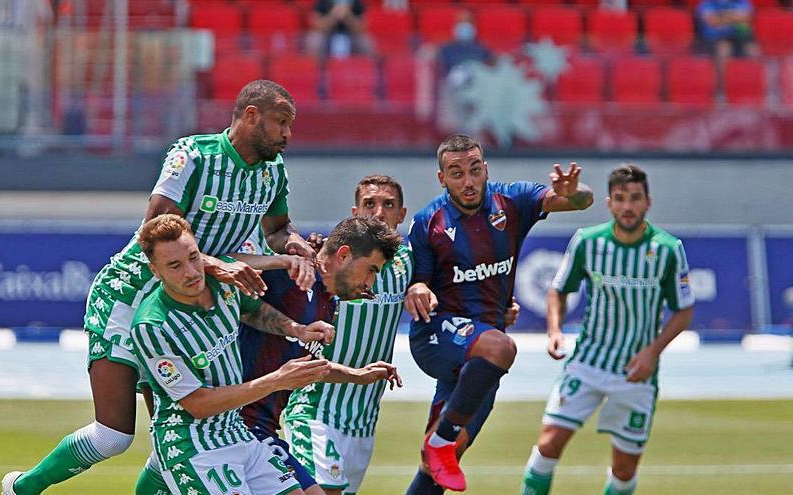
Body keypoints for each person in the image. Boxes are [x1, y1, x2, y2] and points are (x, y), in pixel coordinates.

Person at [2, 79, 316, 495]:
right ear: (251, 116)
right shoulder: (193, 156)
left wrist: (291, 243)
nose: (287, 134)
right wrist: (220, 265)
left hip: (191, 305)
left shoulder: (273, 172)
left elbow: (277, 229)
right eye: (281, 123)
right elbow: (157, 229)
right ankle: (22, 488)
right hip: (131, 298)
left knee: (176, 440)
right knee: (114, 435)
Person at [404, 134, 594, 493]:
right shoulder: (428, 221)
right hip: (439, 338)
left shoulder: (512, 201)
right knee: (502, 347)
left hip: (481, 357)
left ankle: (442, 443)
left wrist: (573, 191)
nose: (469, 181)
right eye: (457, 173)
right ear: (441, 178)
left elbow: (582, 201)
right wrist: (418, 287)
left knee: (439, 467)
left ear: (486, 169)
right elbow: (418, 281)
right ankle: (442, 440)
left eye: (475, 170)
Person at [520, 164, 695, 495]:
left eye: (634, 198)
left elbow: (683, 311)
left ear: (648, 202)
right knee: (548, 446)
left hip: (636, 373)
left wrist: (652, 352)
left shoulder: (669, 249)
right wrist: (554, 330)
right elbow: (558, 290)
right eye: (620, 199)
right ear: (609, 203)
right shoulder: (588, 242)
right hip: (587, 363)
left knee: (624, 469)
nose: (627, 206)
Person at [128, 214, 331, 494]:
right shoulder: (152, 326)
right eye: (174, 266)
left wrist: (298, 330)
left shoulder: (221, 281)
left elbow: (252, 310)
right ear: (155, 271)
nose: (191, 272)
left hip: (235, 430)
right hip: (193, 445)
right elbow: (199, 404)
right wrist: (278, 380)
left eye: (193, 257)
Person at [235, 214, 404, 495]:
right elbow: (225, 265)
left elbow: (304, 366)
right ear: (344, 255)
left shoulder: (328, 301)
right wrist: (280, 262)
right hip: (236, 426)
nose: (370, 284)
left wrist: (357, 375)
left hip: (263, 430)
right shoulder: (292, 273)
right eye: (371, 270)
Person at [307, 0, 372, 58]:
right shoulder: (322, 2)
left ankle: (366, 70)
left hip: (351, 35)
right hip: (327, 34)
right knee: (314, 41)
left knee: (367, 43)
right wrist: (333, 15)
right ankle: (317, 69)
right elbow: (317, 26)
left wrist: (348, 16)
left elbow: (362, 27)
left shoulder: (356, 2)